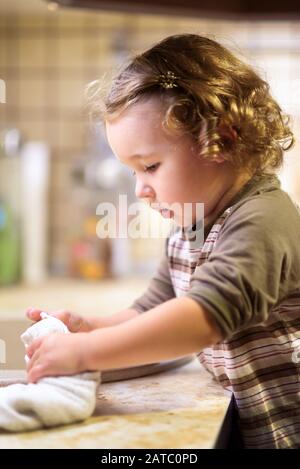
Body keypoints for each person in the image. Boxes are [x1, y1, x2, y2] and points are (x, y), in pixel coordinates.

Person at [25, 34, 300, 449]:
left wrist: (86, 353)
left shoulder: (263, 219)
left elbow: (201, 319)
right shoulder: (194, 223)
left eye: (150, 166)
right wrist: (91, 329)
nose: (140, 190)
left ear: (220, 140)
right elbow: (155, 307)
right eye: (134, 173)